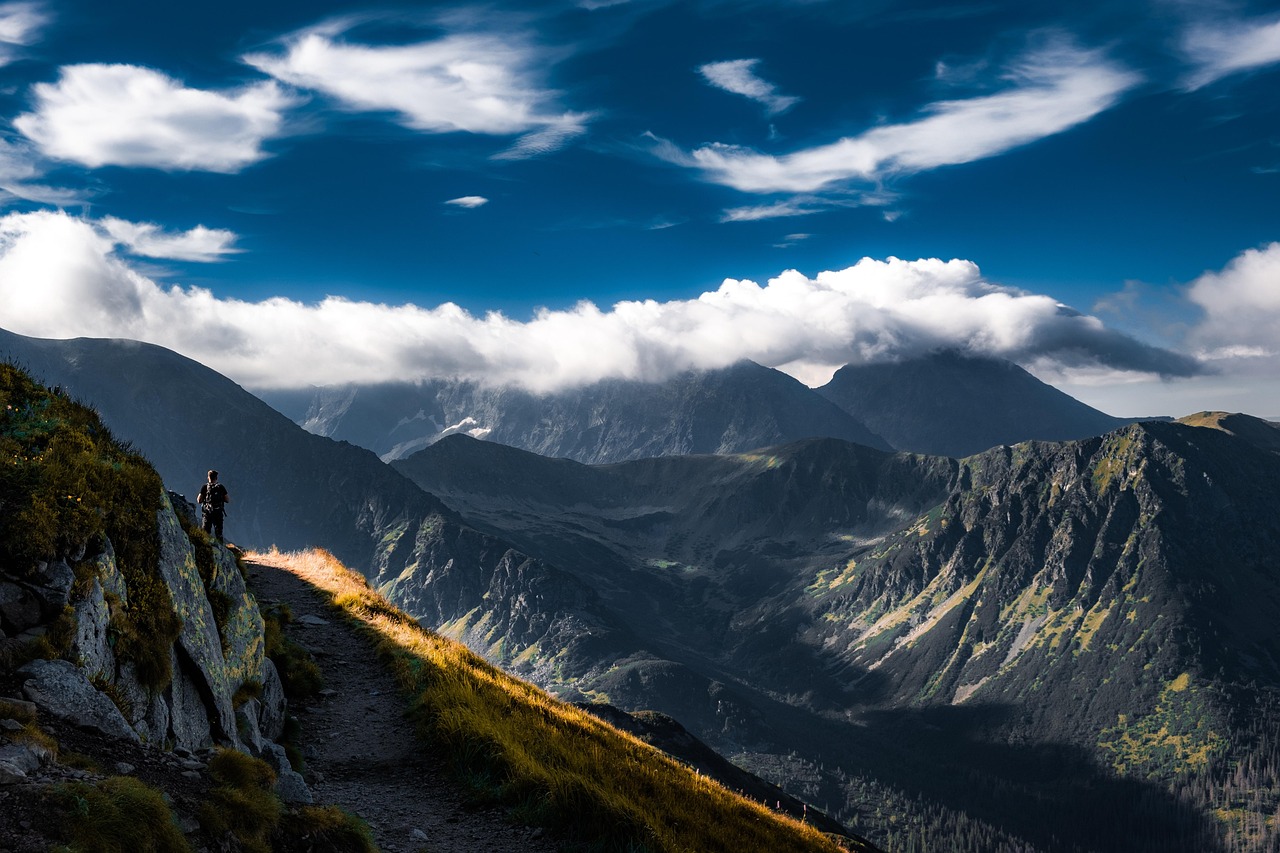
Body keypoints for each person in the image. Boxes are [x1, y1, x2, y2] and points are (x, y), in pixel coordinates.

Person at [197, 469, 230, 541]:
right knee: (219, 532)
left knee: (205, 532)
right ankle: (220, 548)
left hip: (207, 512)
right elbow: (227, 500)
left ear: (208, 477)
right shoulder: (220, 487)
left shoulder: (205, 487)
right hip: (218, 512)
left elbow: (199, 500)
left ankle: (205, 547)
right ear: (216, 478)